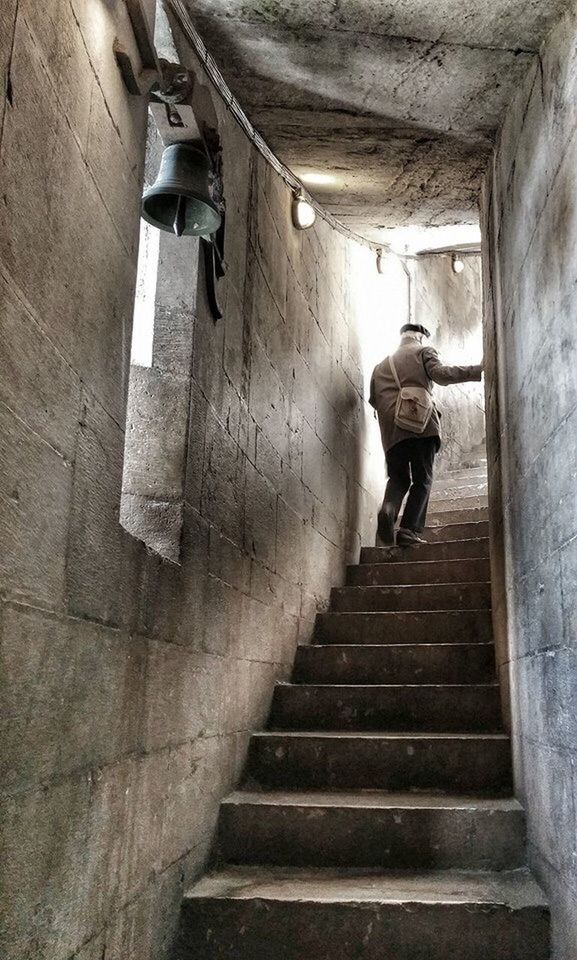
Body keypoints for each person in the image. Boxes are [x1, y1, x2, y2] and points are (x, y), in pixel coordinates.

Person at [369, 323, 483, 547]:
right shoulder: (423, 352)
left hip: (392, 432)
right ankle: (408, 531)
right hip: (421, 426)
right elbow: (440, 375)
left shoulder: (380, 365)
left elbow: (374, 400)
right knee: (422, 479)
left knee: (398, 478)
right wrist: (477, 370)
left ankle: (389, 508)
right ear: (420, 337)